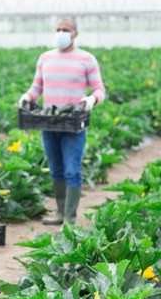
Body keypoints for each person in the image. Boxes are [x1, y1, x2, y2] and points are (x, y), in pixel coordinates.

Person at [18, 16, 106, 225]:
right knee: (56, 169)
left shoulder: (86, 59)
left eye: (65, 29)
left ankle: (70, 218)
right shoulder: (45, 58)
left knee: (71, 171)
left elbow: (99, 89)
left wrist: (92, 99)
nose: (61, 33)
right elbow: (37, 88)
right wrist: (27, 97)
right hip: (49, 121)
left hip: (73, 122)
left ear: (75, 33)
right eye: (58, 29)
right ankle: (59, 213)